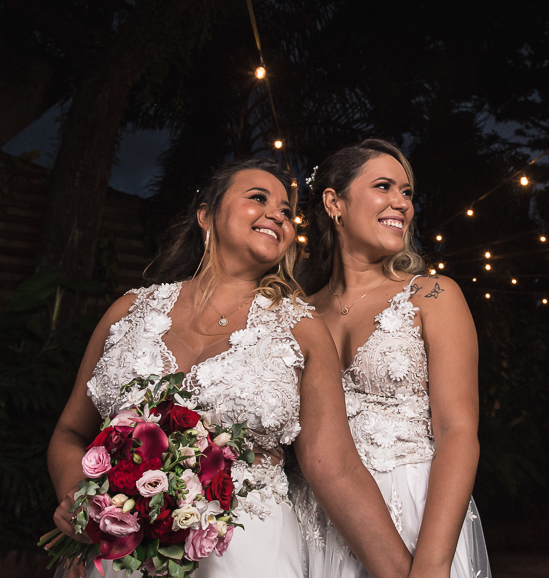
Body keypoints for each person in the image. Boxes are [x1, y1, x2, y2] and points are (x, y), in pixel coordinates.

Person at [46, 159, 412, 578]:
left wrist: (405, 573)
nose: (277, 214)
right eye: (258, 198)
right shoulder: (127, 312)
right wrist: (82, 499)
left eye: (287, 212)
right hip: (123, 553)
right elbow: (70, 433)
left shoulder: (302, 330)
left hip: (249, 555)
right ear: (206, 214)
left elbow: (336, 468)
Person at [294, 140, 490, 578]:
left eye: (407, 193)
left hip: (417, 515)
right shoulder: (297, 313)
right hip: (317, 521)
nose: (401, 204)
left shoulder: (433, 295)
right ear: (334, 203)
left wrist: (433, 563)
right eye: (384, 187)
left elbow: (458, 431)